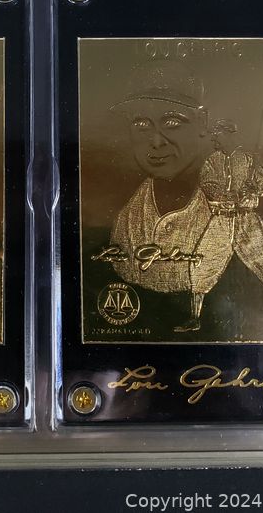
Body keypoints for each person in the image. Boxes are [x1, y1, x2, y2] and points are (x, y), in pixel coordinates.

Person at [108, 61, 212, 332]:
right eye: (141, 124)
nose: (156, 141)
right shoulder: (126, 219)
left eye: (172, 122)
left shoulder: (231, 210)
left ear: (202, 122)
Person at [193, 119, 263, 337]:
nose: (213, 139)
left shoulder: (249, 159)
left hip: (246, 220)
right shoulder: (212, 160)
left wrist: (254, 190)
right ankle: (194, 319)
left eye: (216, 134)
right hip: (220, 220)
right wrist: (228, 194)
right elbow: (208, 185)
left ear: (227, 134)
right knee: (202, 264)